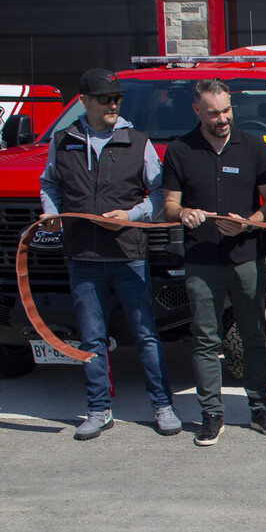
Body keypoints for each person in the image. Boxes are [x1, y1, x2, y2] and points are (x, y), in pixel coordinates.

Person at [38, 68, 182, 440]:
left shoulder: (138, 141)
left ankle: (162, 406)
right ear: (84, 102)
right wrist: (52, 214)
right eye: (104, 98)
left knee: (146, 334)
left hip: (128, 255)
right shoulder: (62, 140)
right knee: (91, 339)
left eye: (116, 98)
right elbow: (49, 183)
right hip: (82, 257)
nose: (113, 104)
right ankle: (99, 410)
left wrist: (131, 217)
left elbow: (156, 194)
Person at [162, 78, 266, 446]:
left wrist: (252, 222)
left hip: (247, 256)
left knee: (254, 334)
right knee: (205, 338)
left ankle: (260, 407)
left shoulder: (253, 147)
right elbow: (168, 205)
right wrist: (182, 213)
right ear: (196, 110)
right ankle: (211, 414)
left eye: (227, 111)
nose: (223, 119)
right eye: (214, 113)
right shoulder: (179, 150)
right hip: (201, 258)